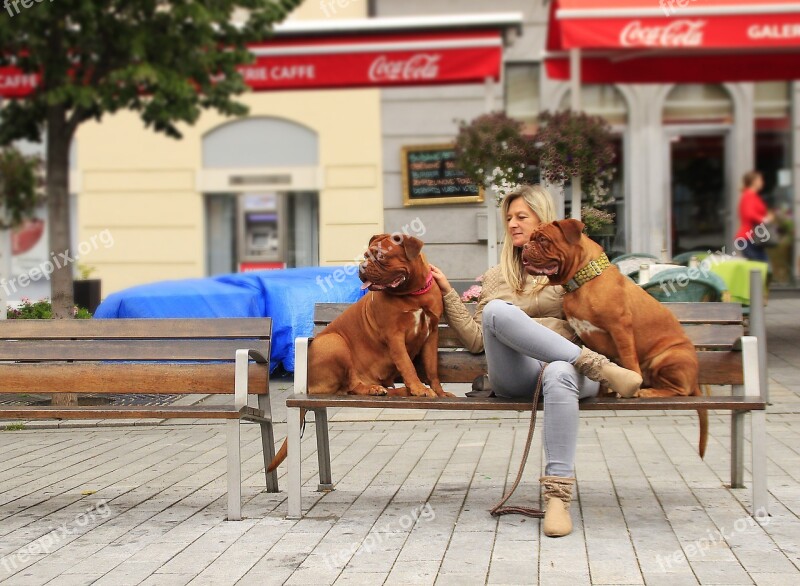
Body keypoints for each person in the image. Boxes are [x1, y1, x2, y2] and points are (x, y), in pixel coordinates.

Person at [430, 184, 642, 538]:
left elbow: (605, 311)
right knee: (498, 310)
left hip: (569, 376)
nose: (512, 224)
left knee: (560, 370)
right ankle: (599, 367)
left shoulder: (569, 270)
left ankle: (557, 499)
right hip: (519, 375)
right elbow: (478, 340)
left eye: (521, 217)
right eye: (508, 218)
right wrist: (449, 293)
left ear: (543, 220)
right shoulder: (497, 277)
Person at [736, 171, 774, 262]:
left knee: (760, 266)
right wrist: (764, 219)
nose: (762, 182)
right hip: (749, 237)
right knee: (760, 267)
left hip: (753, 237)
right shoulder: (749, 196)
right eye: (760, 180)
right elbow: (749, 213)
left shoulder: (751, 196)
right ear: (754, 182)